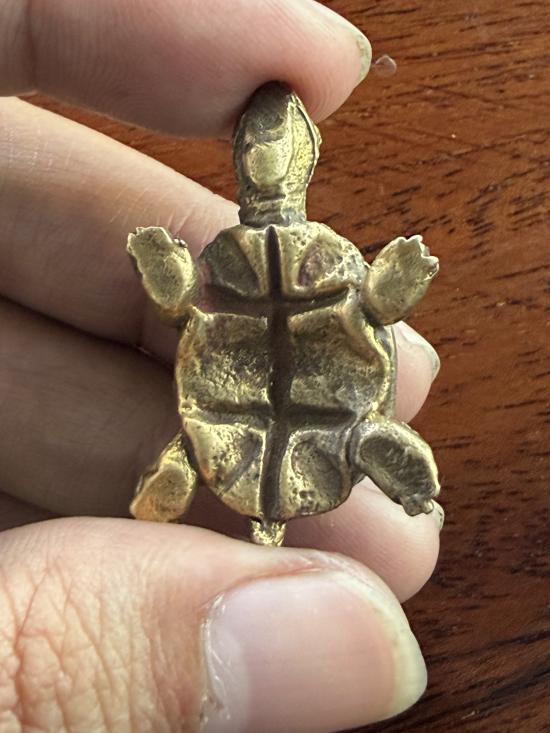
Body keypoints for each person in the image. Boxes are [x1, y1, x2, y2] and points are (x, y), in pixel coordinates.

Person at [0, 1, 443, 731]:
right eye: (257, 147)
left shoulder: (284, 260)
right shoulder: (264, 262)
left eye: (270, 148)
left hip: (310, 424)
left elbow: (364, 312)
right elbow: (193, 313)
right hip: (263, 418)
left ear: (296, 159)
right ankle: (187, 491)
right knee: (339, 401)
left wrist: (384, 295)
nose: (263, 155)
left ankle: (399, 478)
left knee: (367, 421)